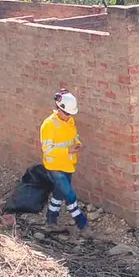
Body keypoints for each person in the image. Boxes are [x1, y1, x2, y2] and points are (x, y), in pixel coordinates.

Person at [40, 89, 89, 234]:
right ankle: (83, 225)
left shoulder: (70, 121)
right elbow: (47, 150)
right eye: (67, 113)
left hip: (68, 164)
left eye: (71, 114)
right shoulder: (48, 125)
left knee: (59, 194)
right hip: (54, 166)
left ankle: (50, 222)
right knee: (70, 195)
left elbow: (73, 137)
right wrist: (68, 150)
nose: (69, 117)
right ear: (58, 109)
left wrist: (77, 143)